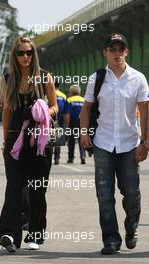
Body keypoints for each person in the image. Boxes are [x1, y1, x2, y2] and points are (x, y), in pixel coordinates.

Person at [80, 33, 149, 255]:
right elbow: (86, 109)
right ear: (105, 53)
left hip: (130, 144)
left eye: (121, 49)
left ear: (126, 52)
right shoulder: (96, 78)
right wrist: (83, 134)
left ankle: (131, 227)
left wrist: (145, 142)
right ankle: (111, 240)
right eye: (113, 49)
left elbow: (145, 111)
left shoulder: (138, 78)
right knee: (104, 194)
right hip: (103, 143)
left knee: (131, 193)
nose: (117, 53)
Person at [0, 35, 58, 252]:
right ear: (14, 55)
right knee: (13, 187)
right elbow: (6, 111)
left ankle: (35, 234)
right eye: (21, 53)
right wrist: (5, 141)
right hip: (15, 140)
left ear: (34, 55)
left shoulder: (44, 77)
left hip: (39, 140)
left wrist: (43, 110)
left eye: (29, 52)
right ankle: (9, 234)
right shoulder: (7, 79)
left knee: (36, 188)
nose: (25, 56)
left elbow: (55, 106)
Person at [65, 85, 86, 164]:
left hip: (72, 122)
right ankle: (83, 157)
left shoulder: (69, 100)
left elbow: (67, 115)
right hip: (82, 122)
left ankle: (71, 158)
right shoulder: (83, 100)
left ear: (71, 92)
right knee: (82, 139)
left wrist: (66, 125)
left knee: (71, 141)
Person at [53, 80, 67, 165]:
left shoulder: (48, 93)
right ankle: (57, 158)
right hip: (60, 120)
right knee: (58, 138)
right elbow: (65, 111)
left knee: (48, 138)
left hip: (50, 119)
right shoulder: (63, 96)